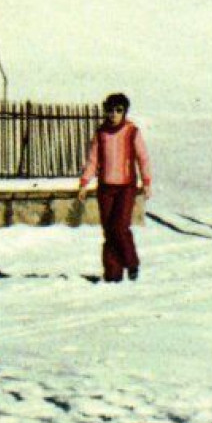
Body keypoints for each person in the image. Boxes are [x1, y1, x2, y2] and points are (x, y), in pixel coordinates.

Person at [77, 93, 152, 283]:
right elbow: (93, 160)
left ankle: (131, 263)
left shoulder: (131, 132)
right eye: (110, 110)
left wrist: (146, 182)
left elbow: (143, 158)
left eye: (118, 110)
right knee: (109, 230)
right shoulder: (101, 133)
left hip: (126, 187)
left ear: (124, 112)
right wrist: (84, 183)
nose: (114, 114)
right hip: (106, 188)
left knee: (120, 227)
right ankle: (112, 273)